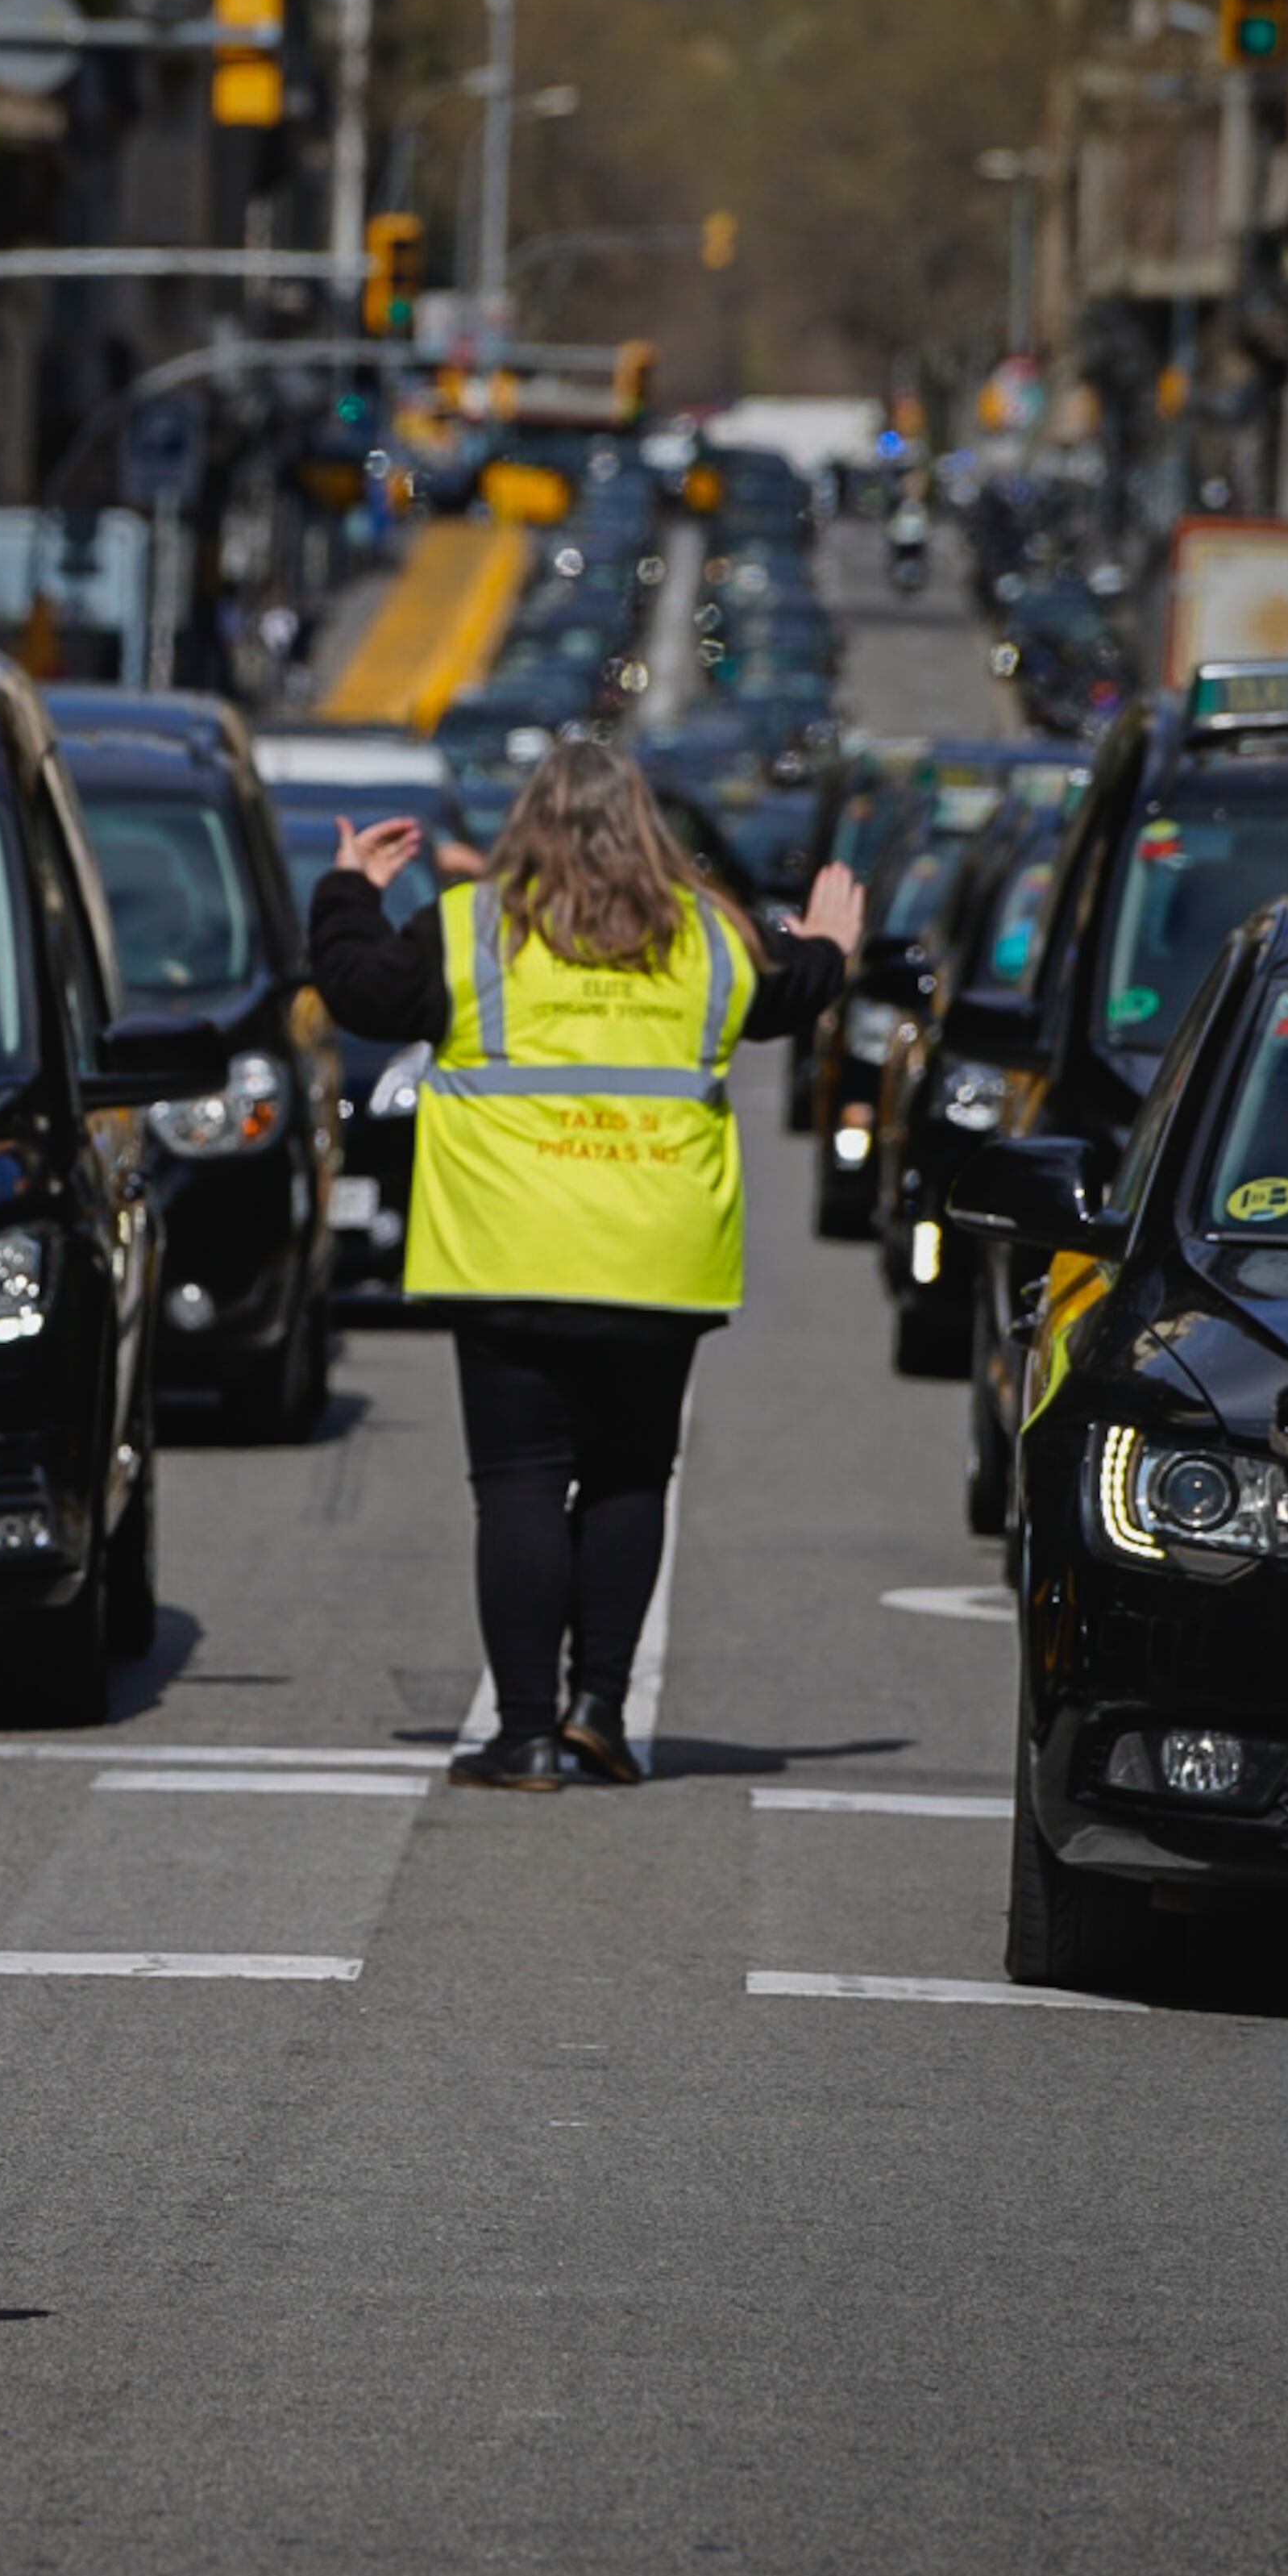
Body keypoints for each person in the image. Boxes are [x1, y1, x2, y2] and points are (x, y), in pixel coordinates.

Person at [312, 739, 860, 1792]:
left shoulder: (471, 929)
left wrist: (349, 887)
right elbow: (790, 995)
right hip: (657, 1261)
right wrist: (833, 946)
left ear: (528, 825)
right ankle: (598, 1707)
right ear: (648, 827)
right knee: (627, 1477)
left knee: (517, 1485)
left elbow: (357, 989)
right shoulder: (706, 934)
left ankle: (524, 1735)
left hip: (508, 1253)